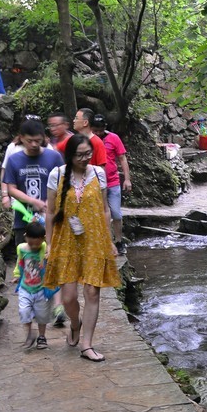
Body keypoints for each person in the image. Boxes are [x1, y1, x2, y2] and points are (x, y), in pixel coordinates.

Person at [44, 134, 120, 363]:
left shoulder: (98, 173)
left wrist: (109, 240)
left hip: (94, 240)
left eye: (88, 154)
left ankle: (87, 344)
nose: (85, 158)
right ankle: (75, 324)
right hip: (66, 241)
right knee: (68, 297)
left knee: (92, 292)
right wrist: (49, 244)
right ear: (70, 155)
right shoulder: (57, 175)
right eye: (80, 155)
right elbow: (50, 212)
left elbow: (105, 209)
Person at [2, 118, 67, 325]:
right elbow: (11, 188)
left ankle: (58, 307)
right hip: (24, 220)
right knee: (29, 264)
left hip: (51, 220)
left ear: (43, 138)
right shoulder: (15, 160)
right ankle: (31, 307)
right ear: (21, 138)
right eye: (29, 140)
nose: (34, 144)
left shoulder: (53, 157)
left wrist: (52, 202)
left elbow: (64, 183)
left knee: (53, 262)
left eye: (38, 141)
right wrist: (33, 201)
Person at [91, 113, 132, 255]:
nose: (98, 133)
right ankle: (103, 243)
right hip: (94, 183)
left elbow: (122, 158)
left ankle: (119, 241)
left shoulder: (113, 138)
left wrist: (127, 179)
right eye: (95, 130)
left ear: (105, 128)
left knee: (116, 214)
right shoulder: (87, 140)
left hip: (112, 182)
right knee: (99, 215)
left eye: (100, 130)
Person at [13, 220, 53, 349]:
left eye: (37, 243)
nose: (35, 246)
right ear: (25, 237)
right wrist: (16, 275)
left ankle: (41, 336)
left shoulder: (44, 248)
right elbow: (19, 263)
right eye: (31, 243)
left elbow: (49, 247)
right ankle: (29, 334)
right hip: (25, 287)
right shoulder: (21, 248)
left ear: (43, 239)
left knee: (42, 315)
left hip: (41, 289)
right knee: (24, 311)